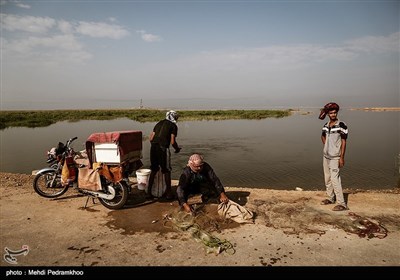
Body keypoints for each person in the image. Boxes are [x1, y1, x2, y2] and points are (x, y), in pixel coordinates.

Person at [319, 102, 349, 211]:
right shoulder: (326, 125)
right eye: (331, 113)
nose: (333, 115)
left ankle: (342, 203)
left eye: (335, 113)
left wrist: (341, 157)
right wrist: (327, 145)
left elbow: (344, 141)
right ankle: (330, 198)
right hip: (326, 156)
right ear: (328, 114)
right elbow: (322, 136)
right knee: (327, 179)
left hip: (335, 157)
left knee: (335, 179)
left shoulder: (341, 125)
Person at [146, 110, 181, 200]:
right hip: (163, 149)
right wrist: (177, 149)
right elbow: (172, 142)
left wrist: (156, 145)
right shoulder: (173, 126)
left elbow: (151, 138)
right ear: (174, 117)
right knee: (167, 170)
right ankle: (168, 193)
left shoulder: (159, 123)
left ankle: (149, 193)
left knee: (154, 169)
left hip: (153, 148)